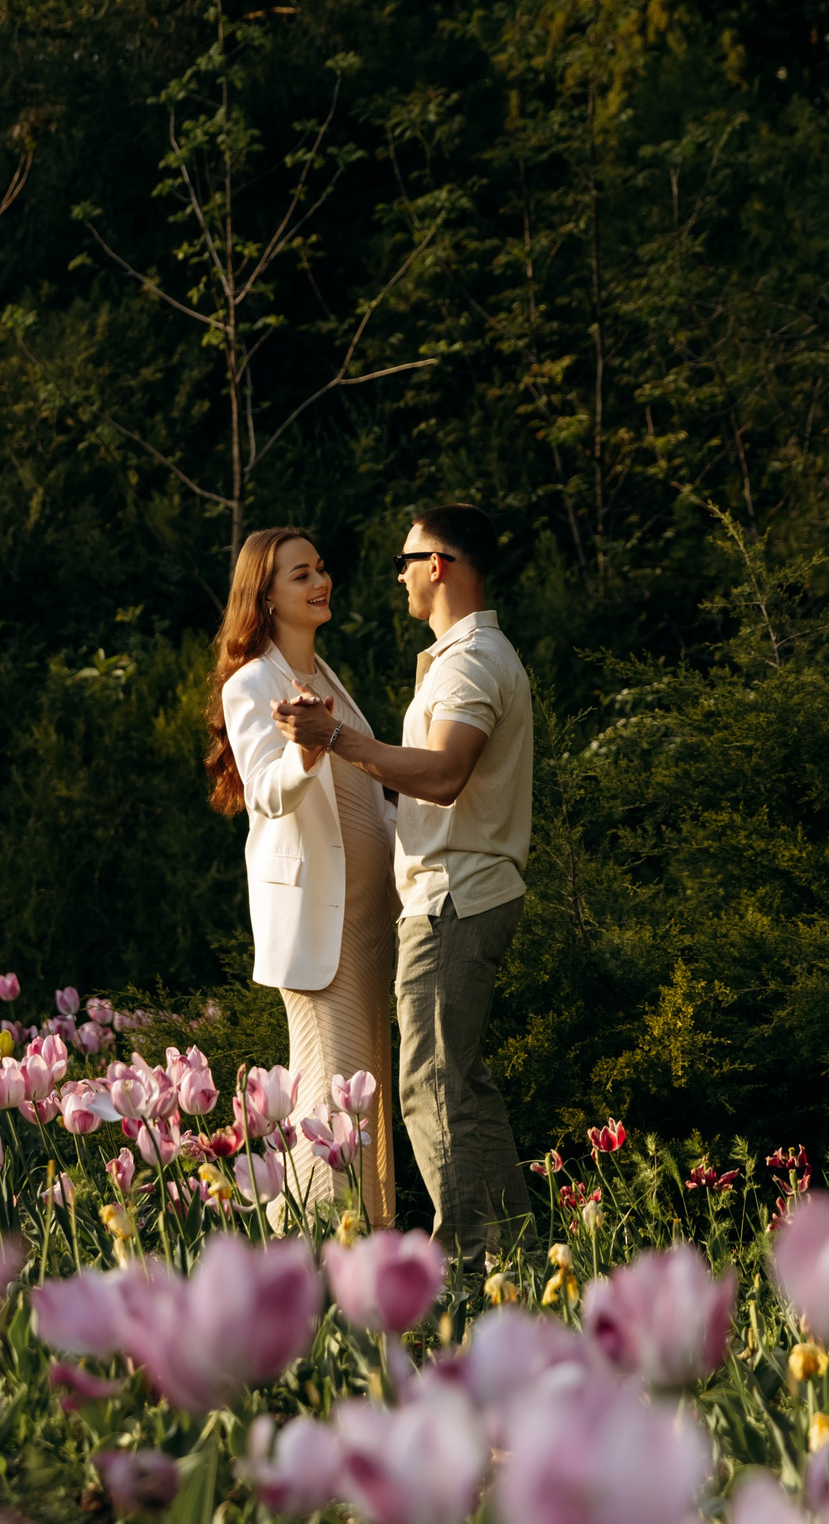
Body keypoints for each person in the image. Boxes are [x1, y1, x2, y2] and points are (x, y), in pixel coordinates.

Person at [273, 503, 531, 1261]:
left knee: (432, 1085)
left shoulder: (471, 662)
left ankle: (471, 1260)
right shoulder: (465, 658)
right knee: (460, 1080)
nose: (398, 576)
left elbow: (446, 774)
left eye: (406, 561)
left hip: (454, 897)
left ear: (439, 566)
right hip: (455, 889)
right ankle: (514, 1250)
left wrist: (337, 738)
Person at [203, 526, 400, 1223]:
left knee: (365, 1094)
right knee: (331, 1092)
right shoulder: (253, 681)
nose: (321, 582)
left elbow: (368, 795)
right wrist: (309, 751)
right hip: (320, 919)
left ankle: (371, 1247)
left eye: (320, 568)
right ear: (265, 595)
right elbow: (267, 789)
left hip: (370, 917)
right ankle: (309, 1249)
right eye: (300, 575)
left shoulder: (325, 675)